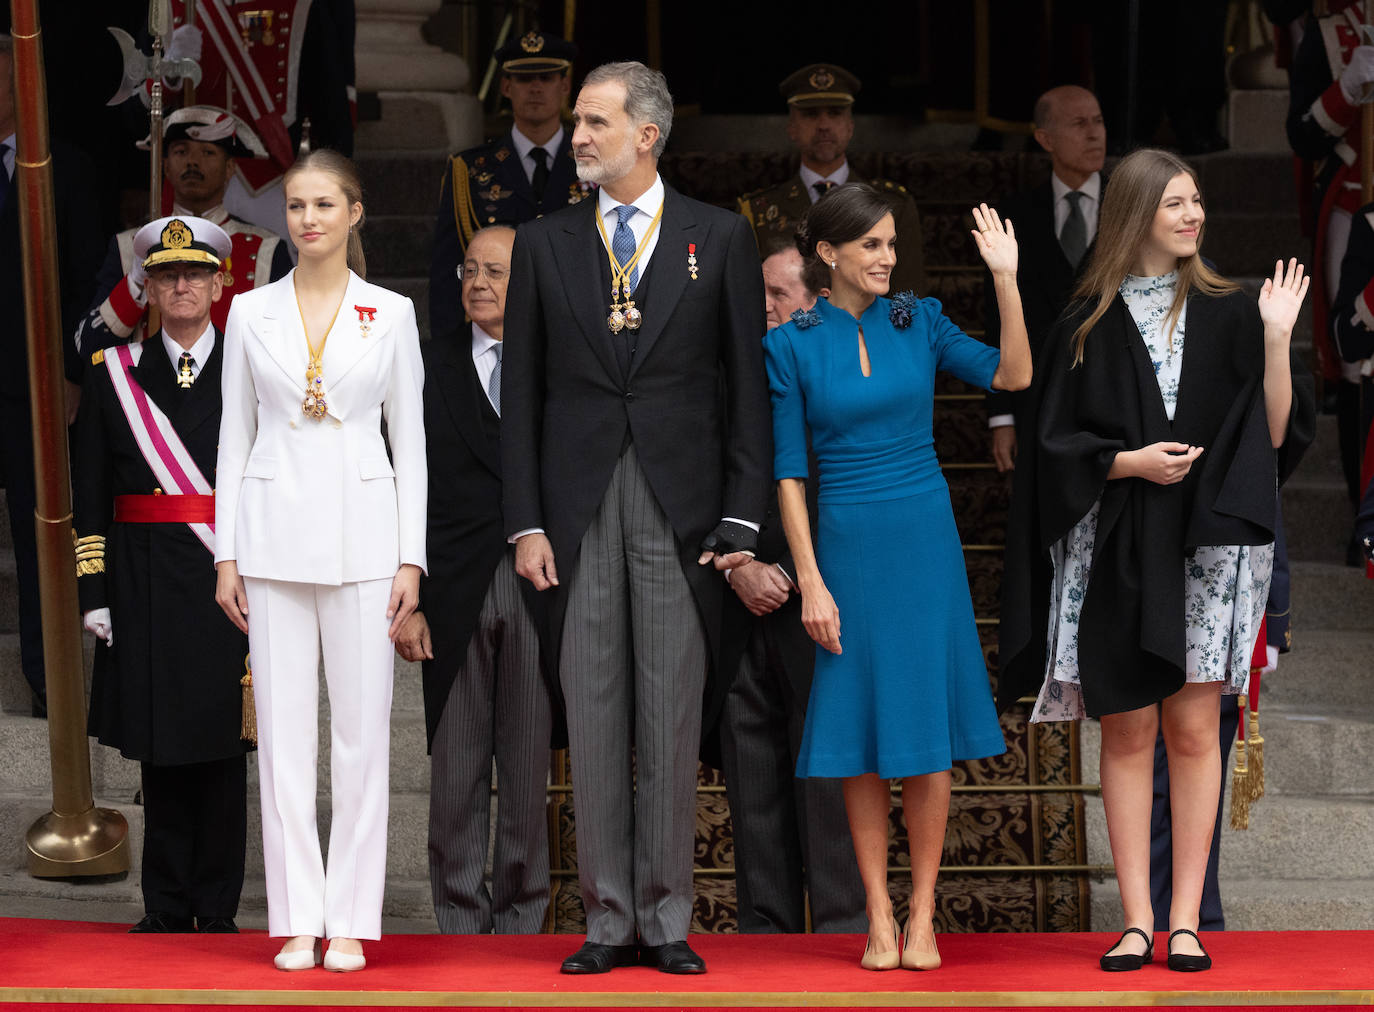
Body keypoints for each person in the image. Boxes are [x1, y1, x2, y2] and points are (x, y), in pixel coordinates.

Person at [998, 148, 1315, 973]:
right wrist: (1125, 462)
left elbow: (1277, 436)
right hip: (1115, 545)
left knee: (1193, 723)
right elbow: (1051, 447)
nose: (1192, 215)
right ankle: (1135, 919)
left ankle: (1184, 920)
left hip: (1208, 547)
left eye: (1197, 201)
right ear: (1137, 213)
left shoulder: (1233, 310)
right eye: (1176, 202)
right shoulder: (1085, 321)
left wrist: (1278, 340)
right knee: (1130, 726)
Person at [502, 61, 771, 975]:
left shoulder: (721, 237)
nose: (577, 136)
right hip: (574, 511)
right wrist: (525, 522)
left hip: (684, 510)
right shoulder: (543, 244)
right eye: (577, 123)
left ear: (647, 135)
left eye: (594, 121)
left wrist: (743, 519)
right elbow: (524, 398)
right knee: (596, 706)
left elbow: (746, 392)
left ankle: (665, 917)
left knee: (668, 715)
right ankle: (606, 918)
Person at [764, 183, 1030, 970]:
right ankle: (877, 916)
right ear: (829, 253)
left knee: (921, 735)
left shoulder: (923, 321)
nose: (886, 257)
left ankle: (922, 917)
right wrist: (810, 580)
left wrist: (1006, 278)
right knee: (861, 735)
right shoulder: (792, 341)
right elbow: (787, 475)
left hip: (924, 540)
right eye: (870, 245)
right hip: (845, 541)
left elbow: (1012, 376)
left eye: (890, 244)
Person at [214, 149, 426, 972]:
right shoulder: (248, 312)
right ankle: (297, 916)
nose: (307, 219)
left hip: (369, 538)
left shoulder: (393, 312)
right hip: (268, 537)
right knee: (286, 740)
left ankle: (350, 919)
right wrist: (227, 551)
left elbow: (409, 440)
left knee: (363, 738)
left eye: (323, 205)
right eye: (296, 206)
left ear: (355, 213)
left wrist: (411, 559)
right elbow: (235, 435)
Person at [74, 214, 251, 934]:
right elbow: (87, 494)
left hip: (228, 581)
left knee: (223, 748)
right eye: (168, 274)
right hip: (144, 583)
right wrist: (95, 593)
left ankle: (218, 905)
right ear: (144, 287)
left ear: (220, 283)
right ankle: (167, 905)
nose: (182, 285)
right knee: (162, 748)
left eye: (196, 274)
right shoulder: (112, 376)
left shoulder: (250, 368)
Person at [394, 224, 556, 935]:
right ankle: (459, 918)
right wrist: (410, 602)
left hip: (536, 590)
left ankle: (522, 921)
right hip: (450, 592)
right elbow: (400, 487)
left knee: (527, 773)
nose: (479, 283)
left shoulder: (558, 367)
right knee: (456, 774)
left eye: (495, 271)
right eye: (469, 269)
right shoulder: (424, 366)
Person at [718, 241, 864, 935]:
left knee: (831, 789)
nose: (765, 309)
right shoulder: (727, 373)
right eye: (761, 295)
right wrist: (734, 561)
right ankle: (764, 948)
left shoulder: (846, 371)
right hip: (739, 603)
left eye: (780, 295)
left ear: (819, 301)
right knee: (752, 789)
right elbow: (688, 476)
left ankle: (843, 936)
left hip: (822, 605)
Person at [0, 32, 105, 717]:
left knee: (44, 539)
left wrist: (71, 373)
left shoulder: (63, 167)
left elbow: (85, 283)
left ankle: (51, 685)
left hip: (32, 385)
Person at [74, 106, 291, 358]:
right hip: (145, 397)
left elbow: (289, 352)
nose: (193, 161)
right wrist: (134, 285)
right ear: (165, 167)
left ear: (230, 168)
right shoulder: (129, 247)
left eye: (208, 152)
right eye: (181, 151)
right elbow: (87, 348)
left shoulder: (267, 249)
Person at [429, 30, 590, 339]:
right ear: (506, 86)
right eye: (523, 79)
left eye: (546, 77)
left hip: (578, 334)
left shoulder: (596, 166)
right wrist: (447, 359)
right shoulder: (469, 170)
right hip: (497, 334)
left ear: (565, 86)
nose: (535, 88)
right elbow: (447, 271)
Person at [983, 85, 1106, 473]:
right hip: (1038, 397)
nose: (1094, 133)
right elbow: (995, 316)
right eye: (1079, 123)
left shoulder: (1131, 208)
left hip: (1114, 394)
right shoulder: (1014, 215)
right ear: (1045, 139)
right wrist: (1002, 416)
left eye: (1099, 121)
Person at [1286, 0, 1373, 541]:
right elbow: (1302, 135)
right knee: (1354, 359)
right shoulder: (1328, 31)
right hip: (1353, 201)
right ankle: (1359, 517)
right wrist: (1349, 90)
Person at [737, 64, 925, 296]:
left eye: (835, 113)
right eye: (811, 114)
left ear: (850, 127)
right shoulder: (758, 211)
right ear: (792, 128)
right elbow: (749, 298)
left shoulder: (894, 204)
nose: (824, 125)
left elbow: (909, 298)